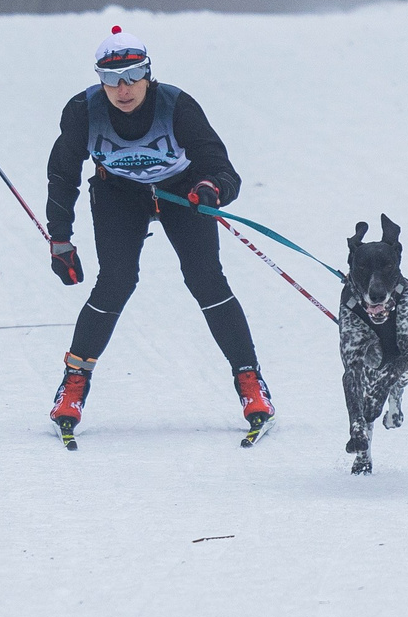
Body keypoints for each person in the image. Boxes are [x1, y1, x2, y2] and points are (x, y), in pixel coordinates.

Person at [42, 27, 275, 439]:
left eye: (133, 75)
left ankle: (249, 379)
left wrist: (211, 189)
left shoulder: (178, 106)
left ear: (149, 73)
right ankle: (74, 382)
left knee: (205, 279)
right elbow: (62, 174)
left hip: (181, 191)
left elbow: (222, 169)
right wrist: (60, 239)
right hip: (118, 194)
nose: (124, 88)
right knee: (115, 282)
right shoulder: (83, 110)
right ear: (99, 80)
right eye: (112, 79)